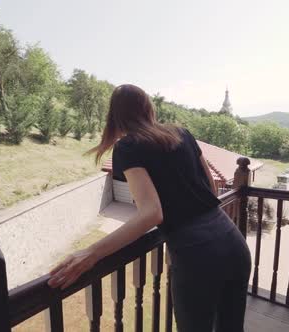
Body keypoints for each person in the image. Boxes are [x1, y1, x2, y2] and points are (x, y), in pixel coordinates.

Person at [48, 84, 251, 331]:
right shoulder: (181, 132)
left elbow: (151, 213)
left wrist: (92, 253)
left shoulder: (128, 147)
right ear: (148, 108)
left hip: (198, 257)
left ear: (116, 115)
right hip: (233, 242)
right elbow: (210, 187)